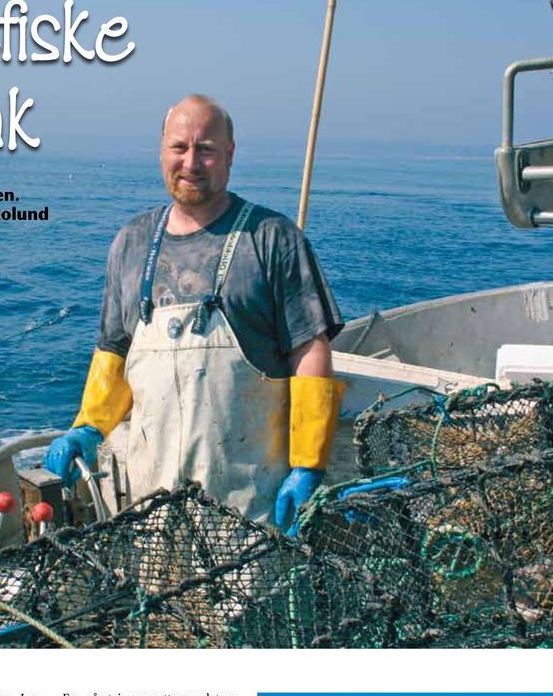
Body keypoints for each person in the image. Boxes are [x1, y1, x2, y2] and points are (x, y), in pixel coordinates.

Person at [44, 94, 344, 531]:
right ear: (161, 151)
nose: (191, 162)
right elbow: (115, 350)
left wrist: (308, 464)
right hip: (153, 508)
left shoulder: (273, 239)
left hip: (248, 509)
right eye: (179, 147)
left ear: (229, 155)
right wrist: (88, 427)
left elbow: (310, 352)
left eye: (206, 149)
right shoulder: (130, 242)